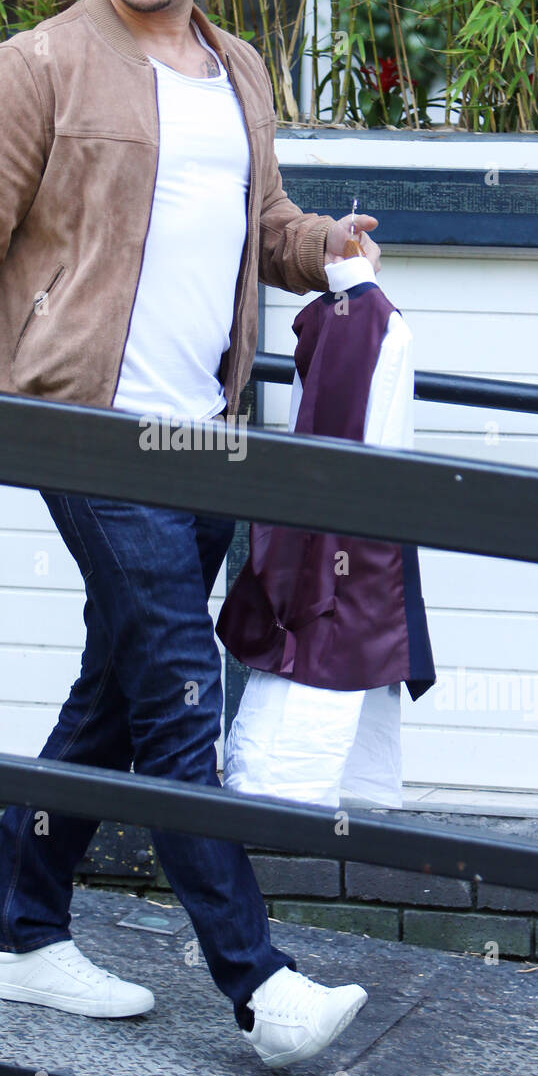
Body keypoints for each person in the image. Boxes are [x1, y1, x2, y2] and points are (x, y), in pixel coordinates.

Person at [0, 0, 381, 1071]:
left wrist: (321, 246)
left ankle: (16, 929)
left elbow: (258, 225)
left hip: (205, 437)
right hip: (91, 431)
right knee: (177, 695)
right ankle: (260, 987)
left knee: (115, 687)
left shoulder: (239, 69)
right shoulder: (35, 68)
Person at [217, 226, 436, 810]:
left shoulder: (325, 318)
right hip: (359, 525)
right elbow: (384, 442)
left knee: (306, 646)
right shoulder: (383, 325)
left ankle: (269, 791)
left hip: (315, 520)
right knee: (334, 639)